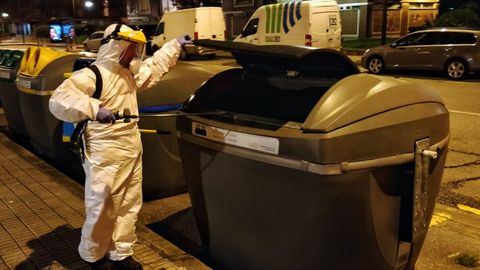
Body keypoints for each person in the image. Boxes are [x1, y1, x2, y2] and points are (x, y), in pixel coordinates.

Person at [49, 24, 192, 270]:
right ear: (116, 46)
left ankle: (121, 253)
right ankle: (93, 256)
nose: (136, 55)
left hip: (130, 147)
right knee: (103, 205)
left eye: (138, 49)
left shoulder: (128, 74)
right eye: (132, 49)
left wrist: (176, 44)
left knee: (129, 203)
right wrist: (94, 109)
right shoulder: (92, 75)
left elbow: (154, 67)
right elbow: (60, 100)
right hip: (104, 151)